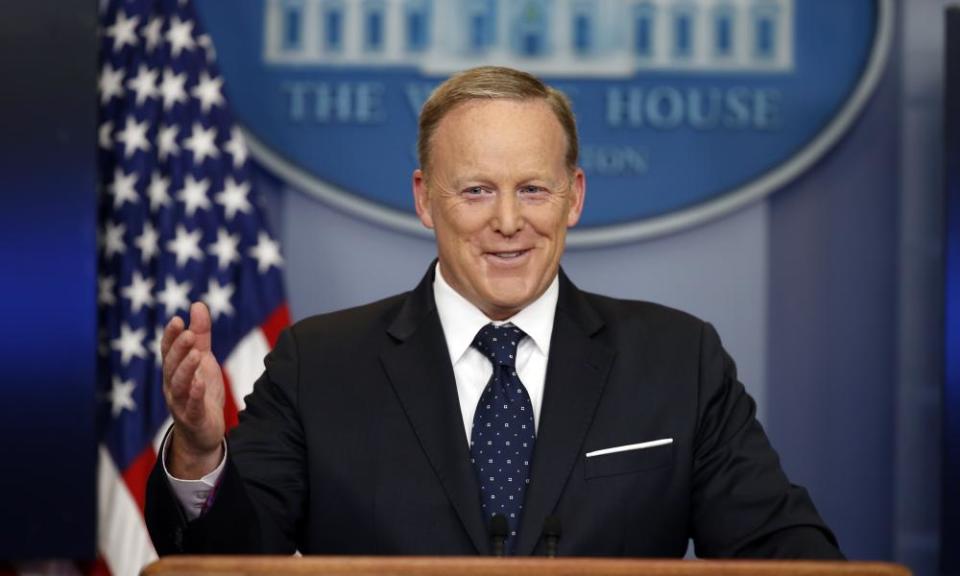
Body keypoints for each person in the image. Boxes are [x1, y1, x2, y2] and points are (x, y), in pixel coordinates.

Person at [146, 66, 842, 558]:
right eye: (476, 191)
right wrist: (203, 454)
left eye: (533, 190)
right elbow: (234, 558)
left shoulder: (677, 360)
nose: (508, 222)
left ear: (574, 197)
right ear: (424, 200)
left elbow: (779, 548)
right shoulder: (318, 365)